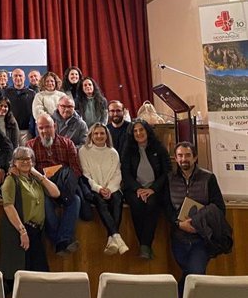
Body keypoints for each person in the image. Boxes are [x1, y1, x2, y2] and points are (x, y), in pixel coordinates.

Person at [164, 142, 227, 296]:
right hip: (178, 238)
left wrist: (198, 222)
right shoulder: (169, 179)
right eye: (180, 155)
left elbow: (219, 207)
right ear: (175, 158)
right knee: (191, 275)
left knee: (195, 274)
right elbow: (166, 209)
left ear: (195, 157)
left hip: (202, 238)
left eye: (187, 155)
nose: (183, 159)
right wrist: (179, 224)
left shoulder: (208, 178)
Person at [0, 146, 60, 281]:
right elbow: (8, 206)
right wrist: (22, 232)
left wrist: (37, 173)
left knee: (38, 276)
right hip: (22, 231)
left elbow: (55, 193)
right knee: (23, 275)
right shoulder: (11, 179)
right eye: (20, 159)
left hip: (37, 232)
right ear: (14, 162)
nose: (25, 161)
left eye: (28, 158)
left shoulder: (35, 180)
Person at [26, 114, 82, 255]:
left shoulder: (67, 143)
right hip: (43, 188)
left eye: (48, 127)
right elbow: (28, 171)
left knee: (76, 201)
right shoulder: (30, 145)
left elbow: (76, 169)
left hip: (64, 187)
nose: (45, 131)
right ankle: (62, 242)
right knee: (46, 205)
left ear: (55, 127)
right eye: (41, 128)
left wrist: (61, 178)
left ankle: (60, 241)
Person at [121, 119, 171, 260]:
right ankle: (145, 246)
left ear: (147, 131)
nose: (138, 133)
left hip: (155, 189)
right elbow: (125, 172)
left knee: (152, 204)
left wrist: (153, 189)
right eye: (135, 131)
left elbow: (167, 171)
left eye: (141, 130)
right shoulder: (128, 149)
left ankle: (144, 246)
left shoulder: (158, 147)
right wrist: (138, 188)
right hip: (134, 189)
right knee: (136, 204)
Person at [78, 123, 129, 255]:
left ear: (107, 135)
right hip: (94, 189)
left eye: (102, 133)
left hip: (111, 188)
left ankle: (112, 239)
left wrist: (110, 189)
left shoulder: (113, 153)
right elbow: (86, 174)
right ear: (91, 135)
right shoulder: (84, 151)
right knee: (100, 202)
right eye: (96, 133)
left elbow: (117, 174)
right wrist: (99, 189)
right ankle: (117, 237)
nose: (99, 136)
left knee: (117, 199)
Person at [4, 68, 35, 145]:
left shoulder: (32, 93)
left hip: (26, 131)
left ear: (24, 78)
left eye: (20, 76)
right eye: (15, 76)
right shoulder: (5, 93)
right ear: (12, 78)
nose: (18, 78)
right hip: (10, 130)